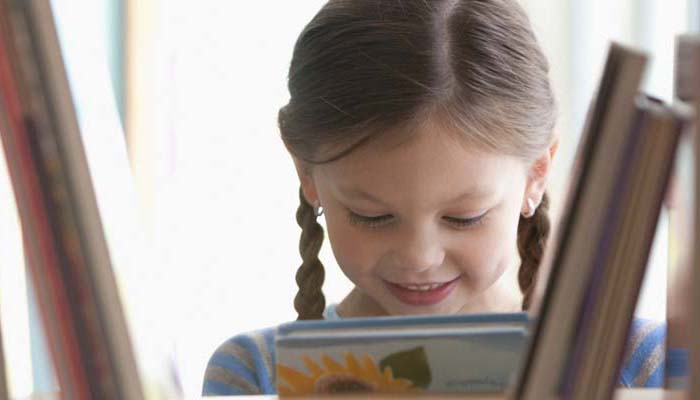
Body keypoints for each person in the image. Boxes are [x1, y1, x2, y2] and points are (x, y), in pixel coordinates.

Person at [202, 0, 680, 395]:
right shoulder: (254, 375)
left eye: (464, 216)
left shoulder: (644, 367)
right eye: (372, 216)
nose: (419, 258)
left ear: (537, 174)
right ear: (306, 173)